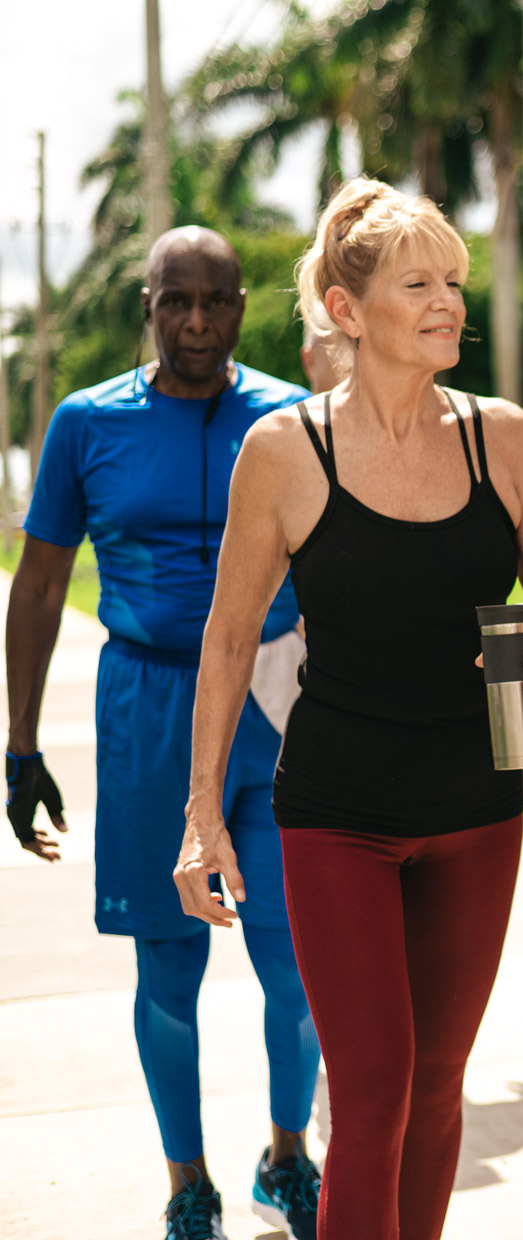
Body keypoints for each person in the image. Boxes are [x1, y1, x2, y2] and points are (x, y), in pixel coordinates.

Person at [172, 180, 523, 1240]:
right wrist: (201, 812)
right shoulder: (284, 452)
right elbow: (225, 639)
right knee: (374, 1091)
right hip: (338, 810)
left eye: (453, 280)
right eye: (418, 284)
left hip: (476, 806)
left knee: (440, 1084)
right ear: (349, 313)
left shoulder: (505, 438)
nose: (448, 301)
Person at [6, 227, 323, 1240]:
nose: (195, 322)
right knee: (168, 964)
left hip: (276, 706)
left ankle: (287, 1157)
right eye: (174, 301)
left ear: (244, 305)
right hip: (148, 705)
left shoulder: (293, 417)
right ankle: (188, 1180)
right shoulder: (85, 423)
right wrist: (20, 748)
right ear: (146, 304)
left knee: (296, 961)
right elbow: (43, 584)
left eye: (215, 301)